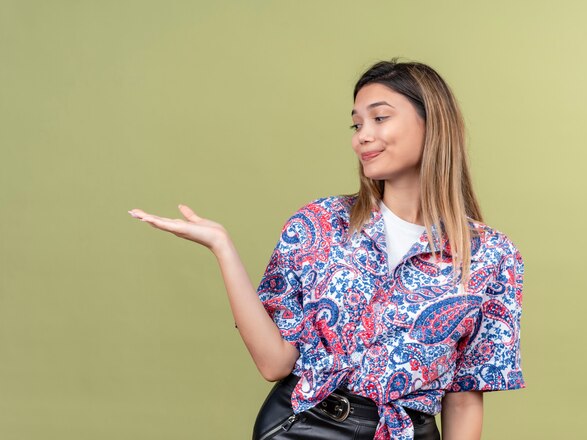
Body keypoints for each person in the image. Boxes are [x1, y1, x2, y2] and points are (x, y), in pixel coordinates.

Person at [128, 58, 525, 440]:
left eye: (379, 118)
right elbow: (274, 363)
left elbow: (465, 395)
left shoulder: (491, 256)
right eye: (356, 124)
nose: (362, 136)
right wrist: (222, 248)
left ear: (432, 123)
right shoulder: (319, 223)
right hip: (303, 427)